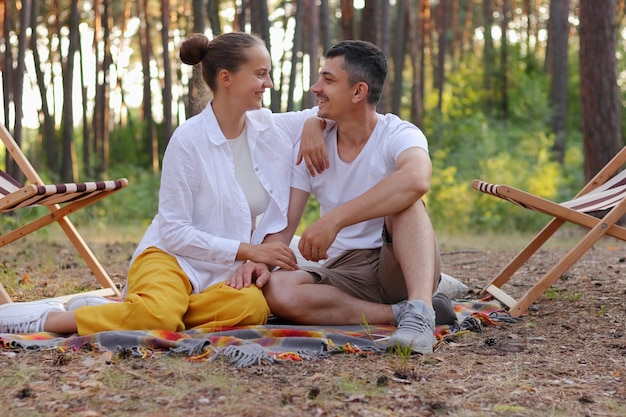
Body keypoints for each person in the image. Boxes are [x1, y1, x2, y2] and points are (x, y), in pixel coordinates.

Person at [0, 32, 322, 335]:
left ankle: (132, 310)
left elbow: (327, 110)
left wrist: (311, 124)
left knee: (251, 307)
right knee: (160, 316)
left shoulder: (269, 128)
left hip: (220, 273)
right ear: (226, 78)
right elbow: (174, 232)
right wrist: (249, 250)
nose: (268, 83)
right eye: (260, 74)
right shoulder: (188, 140)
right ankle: (50, 318)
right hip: (171, 258)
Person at [260, 40, 445, 354]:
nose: (316, 87)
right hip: (345, 269)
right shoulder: (312, 146)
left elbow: (417, 179)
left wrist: (334, 220)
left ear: (359, 92)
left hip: (397, 261)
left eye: (328, 80)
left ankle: (420, 305)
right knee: (278, 290)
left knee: (407, 201)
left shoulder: (398, 133)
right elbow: (286, 224)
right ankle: (407, 314)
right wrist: (259, 261)